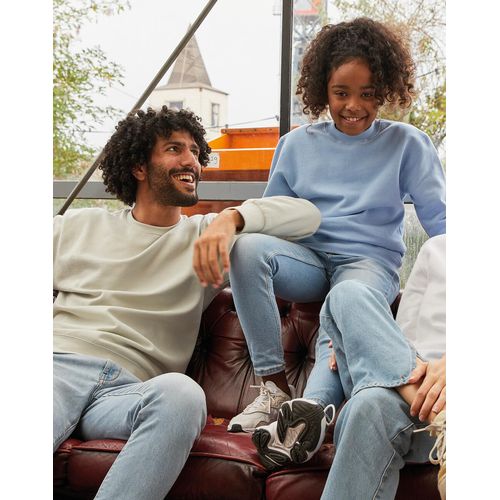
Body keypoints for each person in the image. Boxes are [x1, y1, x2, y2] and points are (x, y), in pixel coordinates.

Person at [216, 18, 445, 499]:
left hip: (367, 265)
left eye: (367, 94)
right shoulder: (295, 145)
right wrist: (231, 223)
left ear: (385, 89)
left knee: (346, 299)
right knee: (247, 246)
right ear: (323, 88)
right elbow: (272, 218)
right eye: (341, 93)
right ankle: (274, 391)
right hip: (307, 259)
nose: (353, 106)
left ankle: (310, 415)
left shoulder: (407, 143)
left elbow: (445, 228)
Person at [53, 106, 321, 500]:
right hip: (60, 367)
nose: (191, 161)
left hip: (129, 392)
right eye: (174, 149)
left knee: (184, 395)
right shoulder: (80, 226)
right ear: (138, 167)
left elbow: (307, 216)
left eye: (195, 151)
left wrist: (231, 219)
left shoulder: (205, 240)